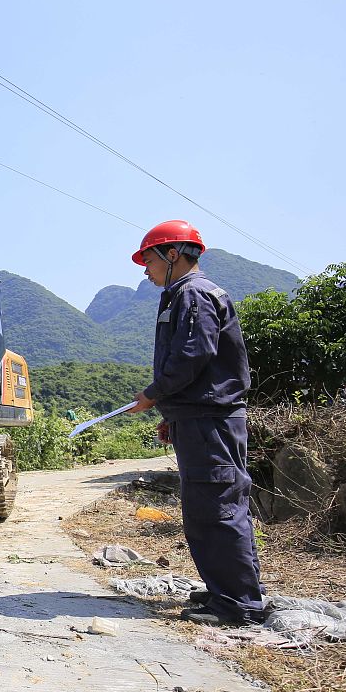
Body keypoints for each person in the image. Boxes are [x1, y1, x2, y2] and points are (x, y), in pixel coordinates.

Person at [126, 220, 263, 626]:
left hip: (209, 420)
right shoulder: (183, 295)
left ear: (173, 254)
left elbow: (191, 355)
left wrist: (154, 394)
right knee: (207, 509)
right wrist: (170, 410)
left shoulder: (194, 294)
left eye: (148, 259)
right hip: (199, 418)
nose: (145, 268)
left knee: (218, 508)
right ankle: (226, 590)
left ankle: (238, 605)